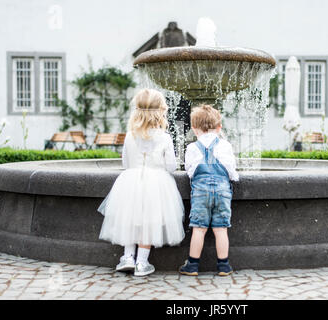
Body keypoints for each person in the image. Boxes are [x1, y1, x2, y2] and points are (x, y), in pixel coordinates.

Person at [98, 88, 185, 276]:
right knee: (149, 222)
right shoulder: (165, 137)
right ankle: (142, 263)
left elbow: (125, 162)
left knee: (131, 219)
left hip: (130, 181)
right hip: (157, 184)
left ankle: (127, 257)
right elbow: (170, 167)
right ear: (161, 111)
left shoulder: (130, 135)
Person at [179, 105, 239, 276]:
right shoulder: (225, 145)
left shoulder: (192, 148)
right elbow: (231, 171)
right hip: (222, 191)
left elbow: (190, 171)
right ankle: (224, 265)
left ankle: (192, 265)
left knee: (199, 228)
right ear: (219, 127)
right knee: (221, 229)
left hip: (200, 192)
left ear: (194, 129)